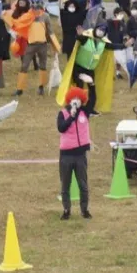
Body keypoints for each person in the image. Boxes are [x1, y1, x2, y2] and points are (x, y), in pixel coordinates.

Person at [57, 87, 92, 220]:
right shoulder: (63, 113)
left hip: (80, 154)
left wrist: (91, 85)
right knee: (65, 183)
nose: (76, 101)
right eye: (73, 98)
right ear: (69, 100)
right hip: (66, 154)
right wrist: (71, 117)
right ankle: (66, 209)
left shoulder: (84, 113)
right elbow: (61, 128)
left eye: (78, 99)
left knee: (83, 183)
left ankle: (85, 209)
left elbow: (93, 100)